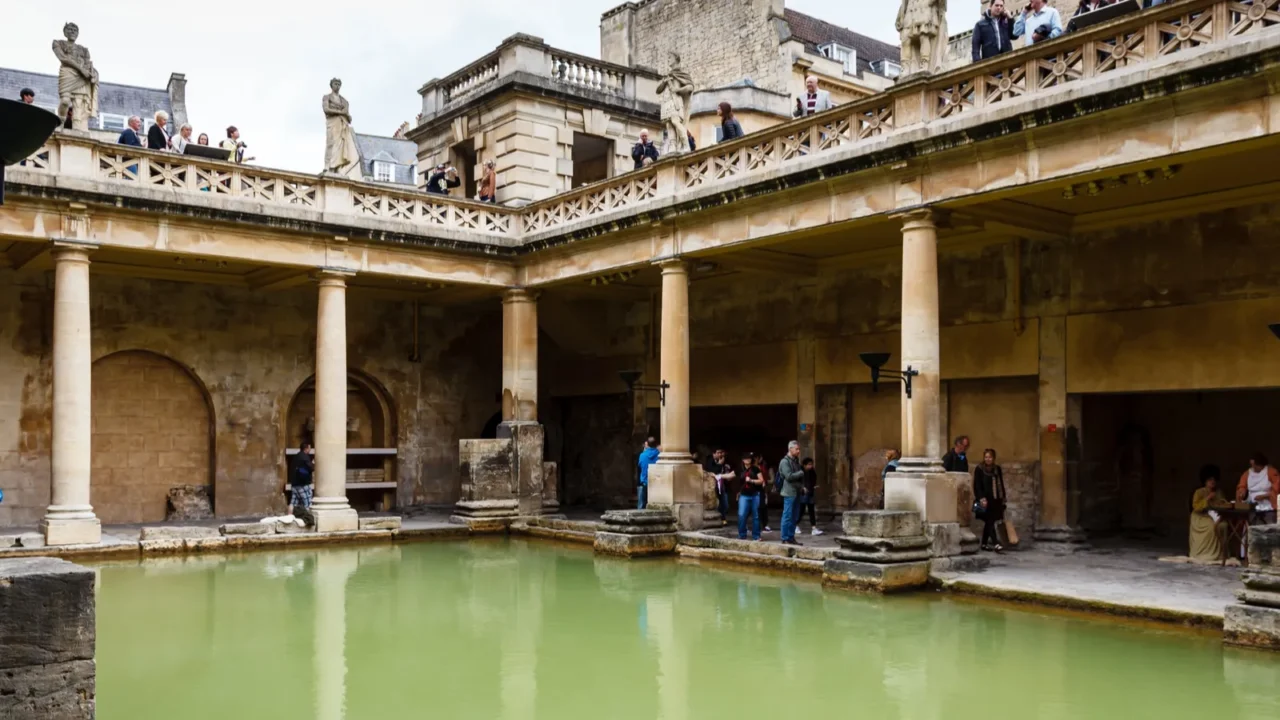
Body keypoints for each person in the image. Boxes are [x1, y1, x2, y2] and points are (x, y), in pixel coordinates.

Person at [1189, 465, 1230, 564]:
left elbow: (1224, 503)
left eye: (1214, 480)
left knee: (1224, 525)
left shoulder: (1219, 492)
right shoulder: (1199, 492)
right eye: (1210, 480)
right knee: (1211, 526)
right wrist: (1207, 499)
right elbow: (1196, 506)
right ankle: (1207, 554)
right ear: (1205, 481)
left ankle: (1221, 554)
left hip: (1215, 515)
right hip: (1200, 516)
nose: (1213, 482)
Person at [973, 449, 1007, 552]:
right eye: (986, 457)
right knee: (989, 521)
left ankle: (983, 544)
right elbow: (977, 485)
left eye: (990, 457)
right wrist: (981, 498)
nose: (988, 459)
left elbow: (1000, 483)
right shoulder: (979, 469)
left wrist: (1003, 497)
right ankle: (996, 543)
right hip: (984, 500)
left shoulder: (997, 469)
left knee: (990, 521)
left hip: (995, 500)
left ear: (993, 458)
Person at [1237, 452, 1280, 525]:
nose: (1253, 467)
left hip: (1267, 503)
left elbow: (1277, 487)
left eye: (1255, 465)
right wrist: (1242, 492)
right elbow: (1242, 486)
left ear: (1260, 464)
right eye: (1252, 465)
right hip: (1252, 504)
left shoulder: (1271, 472)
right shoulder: (1247, 473)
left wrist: (1264, 496)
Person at [778, 441, 806, 546]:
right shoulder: (784, 462)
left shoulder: (795, 461)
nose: (798, 451)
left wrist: (802, 487)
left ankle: (791, 537)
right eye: (797, 449)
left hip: (796, 492)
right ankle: (784, 538)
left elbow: (797, 479)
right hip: (789, 492)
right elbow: (789, 476)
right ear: (790, 449)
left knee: (794, 516)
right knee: (787, 515)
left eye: (799, 449)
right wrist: (801, 472)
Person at [703, 448, 735, 526]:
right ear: (714, 454)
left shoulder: (724, 461)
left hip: (722, 485)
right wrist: (719, 464)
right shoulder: (710, 460)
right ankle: (721, 518)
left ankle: (722, 517)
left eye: (721, 452)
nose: (720, 454)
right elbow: (712, 471)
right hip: (713, 486)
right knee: (715, 503)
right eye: (718, 453)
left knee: (725, 504)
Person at [737, 452, 765, 541]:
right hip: (744, 495)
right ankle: (742, 535)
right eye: (745, 458)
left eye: (749, 458)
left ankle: (756, 536)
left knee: (756, 516)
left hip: (754, 494)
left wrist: (751, 480)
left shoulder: (755, 469)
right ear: (742, 460)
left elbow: (761, 481)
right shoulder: (740, 469)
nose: (747, 460)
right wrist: (719, 476)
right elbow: (731, 475)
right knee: (741, 515)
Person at [798, 457, 823, 536]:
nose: (810, 466)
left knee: (811, 510)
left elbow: (813, 480)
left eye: (811, 464)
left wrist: (813, 486)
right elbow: (798, 481)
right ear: (804, 465)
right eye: (809, 464)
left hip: (810, 492)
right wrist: (802, 488)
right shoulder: (800, 471)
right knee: (801, 510)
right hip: (803, 493)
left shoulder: (812, 472)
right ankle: (795, 524)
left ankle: (814, 528)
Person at [289, 441, 316, 513]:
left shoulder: (296, 456)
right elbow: (311, 468)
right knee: (307, 503)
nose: (310, 450)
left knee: (293, 503)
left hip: (294, 484)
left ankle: (289, 518)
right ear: (306, 448)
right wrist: (313, 463)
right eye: (309, 448)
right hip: (303, 484)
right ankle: (307, 519)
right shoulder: (305, 457)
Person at [637, 437, 660, 509]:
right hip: (657, 483)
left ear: (647, 444)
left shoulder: (642, 455)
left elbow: (640, 465)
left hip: (644, 482)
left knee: (642, 504)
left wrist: (644, 452)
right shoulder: (660, 455)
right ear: (656, 445)